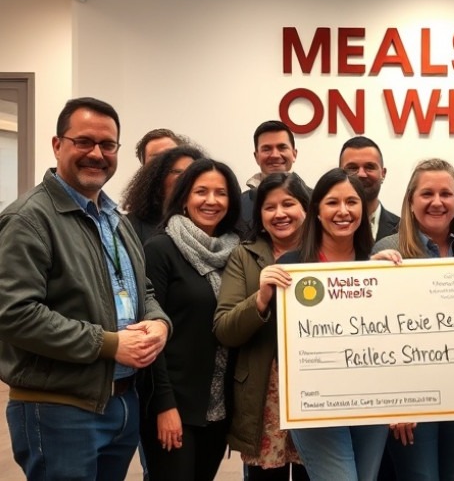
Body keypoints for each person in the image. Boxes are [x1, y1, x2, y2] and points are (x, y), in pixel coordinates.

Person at [0, 97, 171, 480]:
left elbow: (141, 289)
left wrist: (159, 324)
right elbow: (14, 314)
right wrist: (109, 344)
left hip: (121, 402)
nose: (97, 153)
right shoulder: (28, 220)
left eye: (107, 145)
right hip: (59, 408)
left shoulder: (115, 219)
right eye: (84, 142)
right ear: (57, 144)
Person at [372, 158, 454, 481]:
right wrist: (395, 402)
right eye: (426, 194)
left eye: (446, 194)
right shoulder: (387, 252)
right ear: (410, 201)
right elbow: (374, 339)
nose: (437, 202)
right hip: (411, 402)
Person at [276, 168, 389, 481]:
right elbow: (281, 343)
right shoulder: (291, 266)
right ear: (317, 211)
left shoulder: (378, 262)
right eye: (332, 202)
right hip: (316, 404)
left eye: (352, 202)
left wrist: (393, 279)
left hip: (372, 402)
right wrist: (262, 296)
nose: (343, 211)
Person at [141, 158, 243, 480]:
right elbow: (149, 332)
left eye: (221, 193)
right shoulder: (161, 249)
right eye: (201, 191)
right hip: (174, 407)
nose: (211, 201)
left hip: (218, 408)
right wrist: (164, 405)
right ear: (184, 197)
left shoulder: (237, 253)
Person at [214, 172, 311, 481]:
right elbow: (225, 328)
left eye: (289, 204)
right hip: (264, 393)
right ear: (259, 215)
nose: (280, 214)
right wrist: (261, 296)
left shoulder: (326, 253)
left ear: (306, 209)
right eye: (270, 207)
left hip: (316, 388)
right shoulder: (244, 256)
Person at [122, 145, 206, 243]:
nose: (185, 177)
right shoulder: (132, 225)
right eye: (177, 172)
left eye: (190, 172)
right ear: (159, 178)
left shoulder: (206, 220)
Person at [240, 120, 311, 227]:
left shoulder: (316, 199)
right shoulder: (239, 205)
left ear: (294, 154)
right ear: (256, 157)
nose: (275, 155)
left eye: (282, 147)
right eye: (267, 149)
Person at [339, 135, 400, 241]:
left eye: (369, 167)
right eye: (352, 168)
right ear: (339, 173)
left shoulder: (404, 230)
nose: (361, 174)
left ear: (383, 173)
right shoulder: (320, 230)